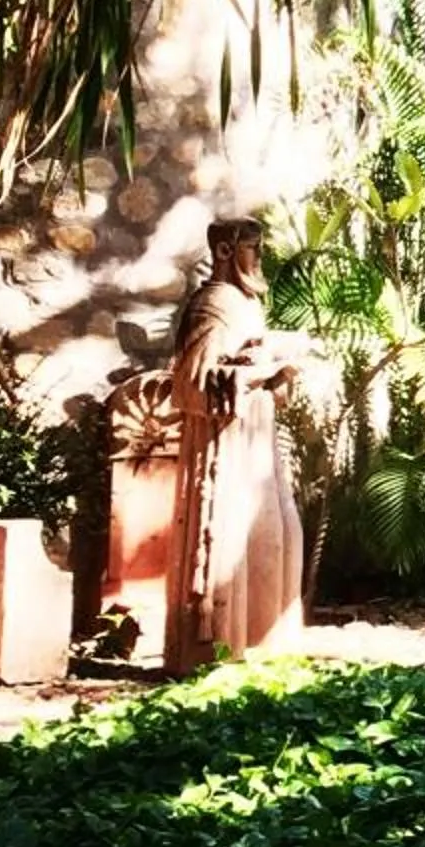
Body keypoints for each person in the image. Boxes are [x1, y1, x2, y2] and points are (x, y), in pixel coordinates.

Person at [163, 217, 315, 673]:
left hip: (257, 447)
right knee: (228, 544)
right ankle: (217, 651)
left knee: (275, 535)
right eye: (254, 248)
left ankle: (265, 644)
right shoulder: (212, 305)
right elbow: (193, 382)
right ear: (226, 252)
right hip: (222, 448)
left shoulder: (248, 306)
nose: (261, 258)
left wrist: (281, 369)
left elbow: (260, 376)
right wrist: (259, 367)